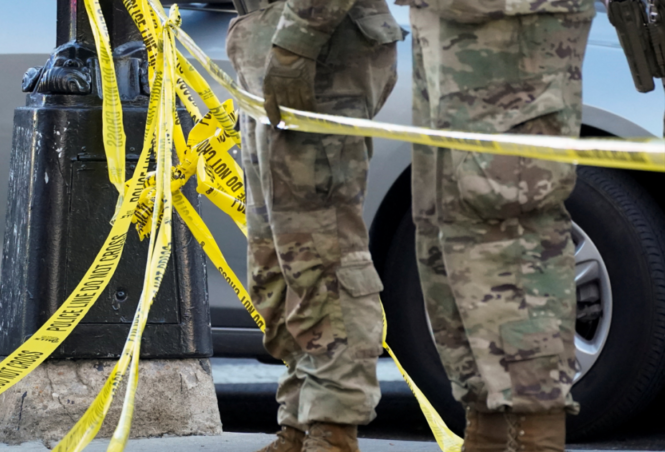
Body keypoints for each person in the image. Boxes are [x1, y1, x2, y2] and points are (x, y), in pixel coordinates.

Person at [400, 0, 596, 448]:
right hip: (445, 22)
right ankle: (486, 429)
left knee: (510, 227)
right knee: (442, 234)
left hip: (511, 26)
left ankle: (535, 433)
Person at [226, 0, 403, 450]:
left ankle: (332, 427)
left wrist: (295, 44)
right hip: (266, 48)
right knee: (276, 261)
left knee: (321, 254)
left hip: (319, 53)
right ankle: (301, 423)